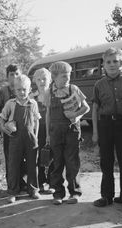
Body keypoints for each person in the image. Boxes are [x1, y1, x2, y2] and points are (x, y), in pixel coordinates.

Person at [92, 47, 122, 215]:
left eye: (115, 61)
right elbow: (95, 107)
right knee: (106, 161)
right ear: (103, 64)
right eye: (108, 62)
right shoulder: (99, 84)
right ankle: (107, 196)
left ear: (121, 62)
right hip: (105, 125)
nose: (112, 65)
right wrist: (95, 132)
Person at [46, 61, 90, 205]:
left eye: (69, 75)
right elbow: (48, 114)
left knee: (72, 162)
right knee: (57, 163)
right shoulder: (50, 92)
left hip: (72, 130)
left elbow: (86, 108)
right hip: (55, 132)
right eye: (64, 76)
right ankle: (58, 194)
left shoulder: (74, 89)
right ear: (54, 77)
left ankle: (74, 192)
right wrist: (47, 134)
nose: (68, 79)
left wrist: (76, 115)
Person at [0, 74, 41, 203]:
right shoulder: (10, 104)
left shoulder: (33, 103)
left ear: (29, 89)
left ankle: (33, 189)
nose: (22, 92)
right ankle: (13, 191)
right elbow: (2, 117)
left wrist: (36, 136)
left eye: (24, 89)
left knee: (32, 165)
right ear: (14, 90)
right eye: (19, 89)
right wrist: (3, 127)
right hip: (15, 139)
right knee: (13, 165)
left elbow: (36, 120)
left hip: (30, 139)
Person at [0, 64, 27, 191]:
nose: (14, 77)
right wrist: (2, 124)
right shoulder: (4, 91)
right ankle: (12, 184)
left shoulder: (25, 88)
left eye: (17, 74)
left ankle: (23, 182)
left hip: (24, 130)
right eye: (11, 74)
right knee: (10, 158)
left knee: (24, 157)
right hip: (9, 131)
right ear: (7, 76)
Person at [30, 68, 54, 194]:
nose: (42, 81)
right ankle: (40, 182)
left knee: (53, 156)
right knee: (38, 156)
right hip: (38, 130)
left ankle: (53, 183)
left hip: (53, 129)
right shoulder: (32, 97)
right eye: (39, 79)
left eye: (44, 78)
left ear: (50, 79)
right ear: (35, 81)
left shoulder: (54, 94)